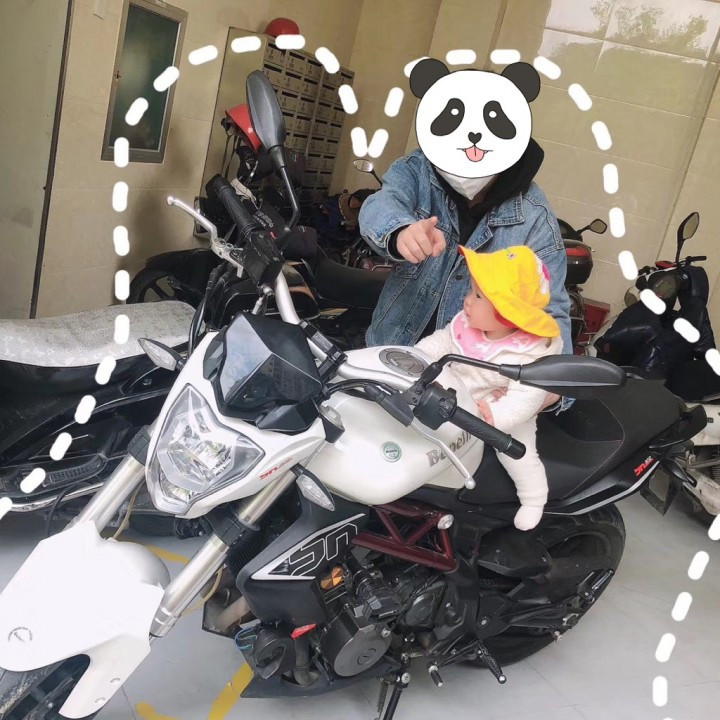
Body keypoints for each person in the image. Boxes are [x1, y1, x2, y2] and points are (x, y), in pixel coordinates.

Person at [358, 58, 572, 354]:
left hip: (468, 373)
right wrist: (401, 232)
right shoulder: (417, 170)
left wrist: (548, 374)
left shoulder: (534, 217)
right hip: (391, 352)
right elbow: (382, 203)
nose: (473, 135)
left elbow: (551, 316)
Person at [415, 245, 563, 530]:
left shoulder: (528, 351)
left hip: (499, 405)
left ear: (508, 312)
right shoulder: (467, 326)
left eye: (478, 296)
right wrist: (417, 359)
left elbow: (526, 397)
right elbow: (440, 342)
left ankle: (533, 498)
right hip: (456, 394)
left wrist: (497, 417)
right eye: (471, 291)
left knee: (518, 452)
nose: (467, 301)